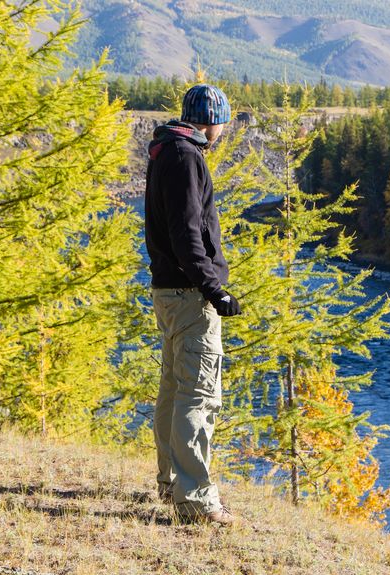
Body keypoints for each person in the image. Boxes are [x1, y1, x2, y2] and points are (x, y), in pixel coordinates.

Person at [144, 84, 242, 525]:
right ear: (213, 120)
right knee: (198, 395)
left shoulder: (165, 151)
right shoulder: (186, 157)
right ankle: (196, 501)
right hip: (189, 295)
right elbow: (187, 234)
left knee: (173, 389)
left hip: (168, 291)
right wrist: (214, 289)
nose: (222, 131)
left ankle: (171, 483)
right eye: (223, 123)